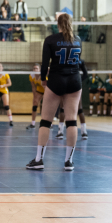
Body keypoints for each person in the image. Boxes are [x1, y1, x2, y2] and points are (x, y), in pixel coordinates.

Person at [26, 13, 82, 171]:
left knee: (46, 121)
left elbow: (45, 64)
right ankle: (68, 162)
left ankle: (39, 160)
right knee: (71, 121)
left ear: (57, 24)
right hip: (74, 80)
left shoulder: (50, 40)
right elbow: (78, 62)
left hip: (56, 80)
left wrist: (44, 79)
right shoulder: (78, 40)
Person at [55, 59, 89, 140]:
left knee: (63, 109)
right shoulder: (80, 60)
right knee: (79, 109)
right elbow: (85, 74)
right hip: (75, 83)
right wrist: (78, 80)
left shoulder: (63, 59)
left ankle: (60, 132)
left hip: (64, 83)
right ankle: (84, 133)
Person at [0, 63, 13, 127]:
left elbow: (10, 83)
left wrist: (3, 85)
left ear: (2, 67)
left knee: (6, 106)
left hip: (4, 91)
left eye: (0, 66)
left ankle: (11, 120)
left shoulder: (5, 74)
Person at [27, 63, 45, 129]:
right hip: (39, 90)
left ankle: (49, 124)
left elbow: (47, 87)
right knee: (34, 104)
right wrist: (34, 96)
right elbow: (33, 87)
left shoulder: (43, 75)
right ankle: (33, 123)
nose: (35, 69)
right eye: (34, 68)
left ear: (39, 69)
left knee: (45, 106)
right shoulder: (31, 75)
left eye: (36, 68)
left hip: (47, 90)